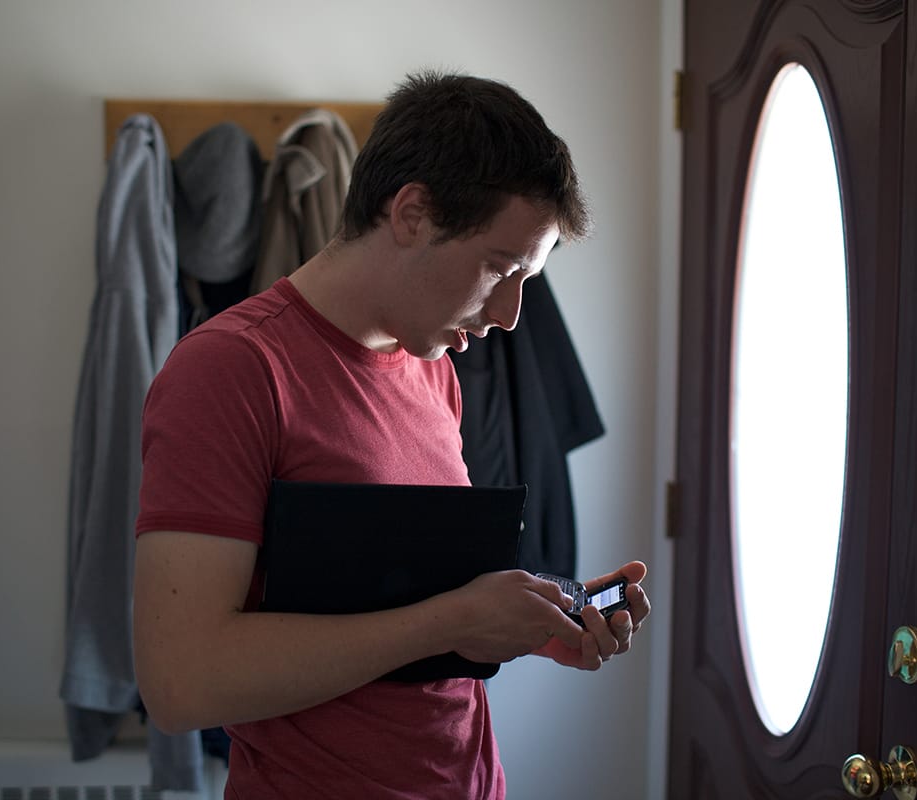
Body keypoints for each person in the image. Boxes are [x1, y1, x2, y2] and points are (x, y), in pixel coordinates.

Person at [132, 70, 651, 799]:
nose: (508, 315)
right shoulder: (231, 371)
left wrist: (524, 620)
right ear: (412, 212)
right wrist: (450, 621)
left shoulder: (432, 371)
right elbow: (180, 683)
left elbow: (392, 600)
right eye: (500, 268)